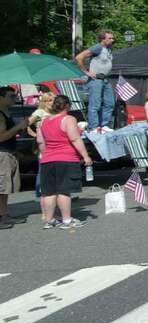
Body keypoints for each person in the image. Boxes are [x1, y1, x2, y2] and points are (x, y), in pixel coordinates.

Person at [34, 95, 90, 230]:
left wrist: (47, 153)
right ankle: (66, 220)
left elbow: (40, 142)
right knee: (64, 191)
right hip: (66, 158)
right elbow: (75, 139)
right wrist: (85, 155)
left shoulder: (43, 121)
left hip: (47, 159)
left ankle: (49, 220)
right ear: (67, 106)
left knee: (49, 192)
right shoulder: (69, 119)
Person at [0, 86, 31, 228]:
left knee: (5, 188)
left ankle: (4, 215)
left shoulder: (6, 112)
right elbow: (2, 137)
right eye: (11, 96)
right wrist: (18, 127)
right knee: (2, 187)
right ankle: (2, 217)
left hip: (8, 152)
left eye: (15, 96)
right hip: (2, 153)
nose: (15, 98)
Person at [74, 29, 116, 129]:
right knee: (95, 105)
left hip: (106, 80)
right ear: (103, 39)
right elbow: (79, 57)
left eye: (112, 38)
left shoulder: (109, 49)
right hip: (96, 80)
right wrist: (86, 72)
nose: (112, 40)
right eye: (109, 38)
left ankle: (104, 126)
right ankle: (94, 128)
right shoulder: (98, 47)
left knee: (110, 103)